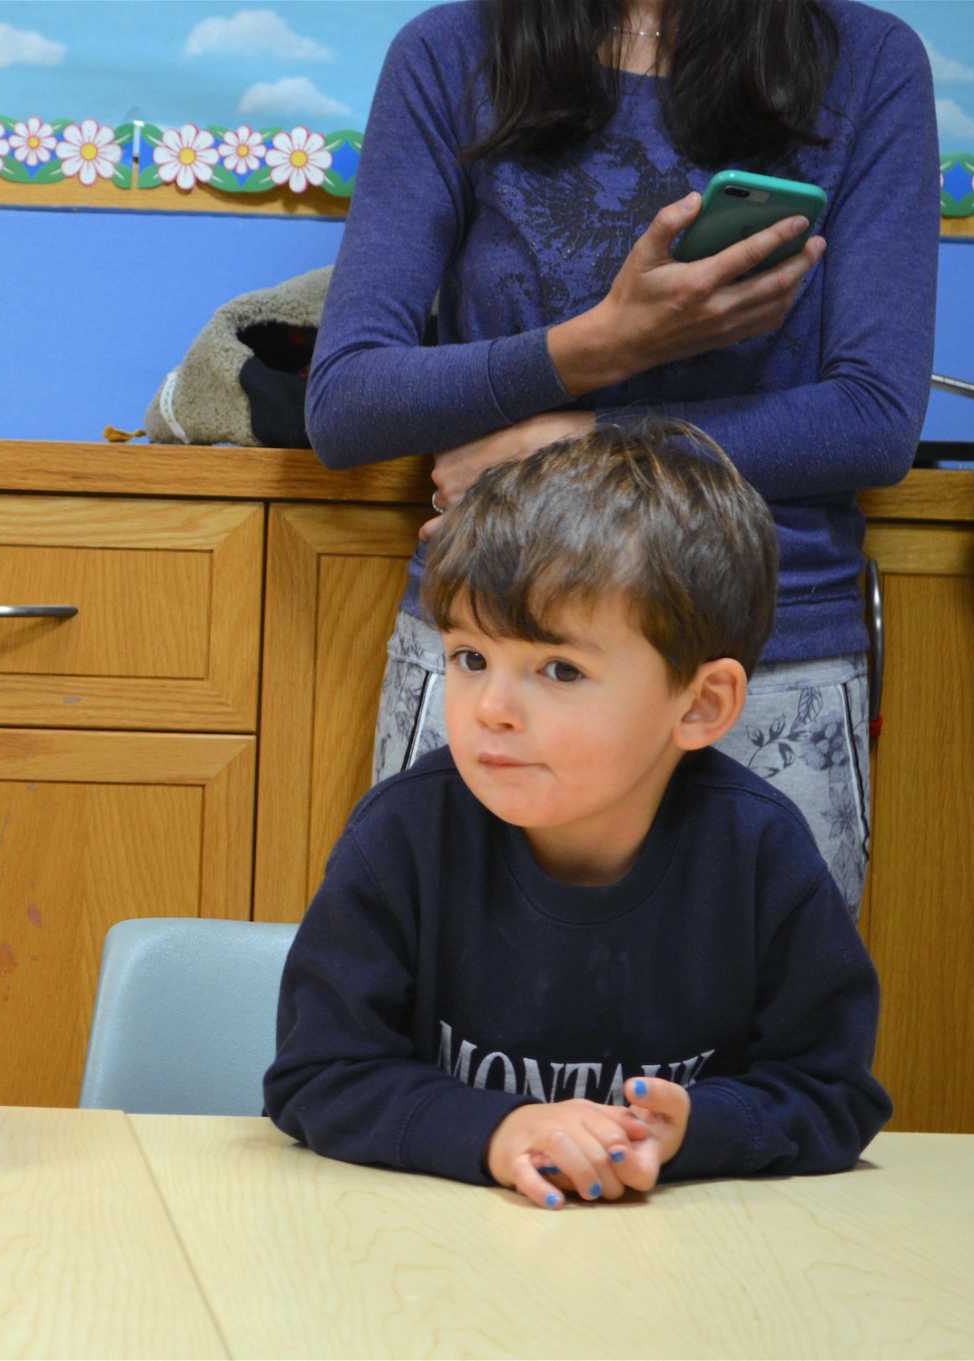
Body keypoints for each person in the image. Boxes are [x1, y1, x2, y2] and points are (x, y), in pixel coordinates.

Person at [304, 0, 939, 916]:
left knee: (746, 1052)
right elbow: (348, 401)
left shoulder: (866, 59)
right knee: (447, 1039)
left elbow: (873, 418)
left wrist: (574, 441)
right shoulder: (451, 52)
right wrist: (604, 343)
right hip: (499, 648)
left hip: (760, 666)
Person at [263, 424, 892, 1210]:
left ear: (701, 704)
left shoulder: (761, 851)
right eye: (470, 658)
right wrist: (500, 1131)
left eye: (559, 669)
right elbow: (318, 1075)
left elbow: (834, 1092)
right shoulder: (403, 835)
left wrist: (694, 1129)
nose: (491, 708)